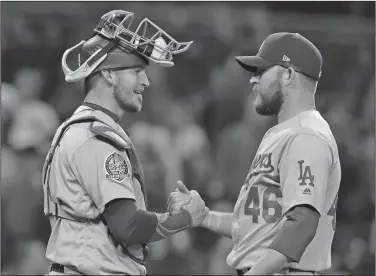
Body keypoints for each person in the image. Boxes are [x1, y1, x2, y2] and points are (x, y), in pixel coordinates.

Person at [42, 10, 203, 275]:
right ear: (108, 75)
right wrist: (186, 218)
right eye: (137, 71)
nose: (146, 81)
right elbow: (127, 226)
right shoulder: (95, 137)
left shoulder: (88, 128)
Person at [168, 32, 341, 275]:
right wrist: (205, 216)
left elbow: (302, 222)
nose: (253, 80)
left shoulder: (305, 136)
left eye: (262, 71)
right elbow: (258, 227)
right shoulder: (282, 133)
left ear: (289, 74)